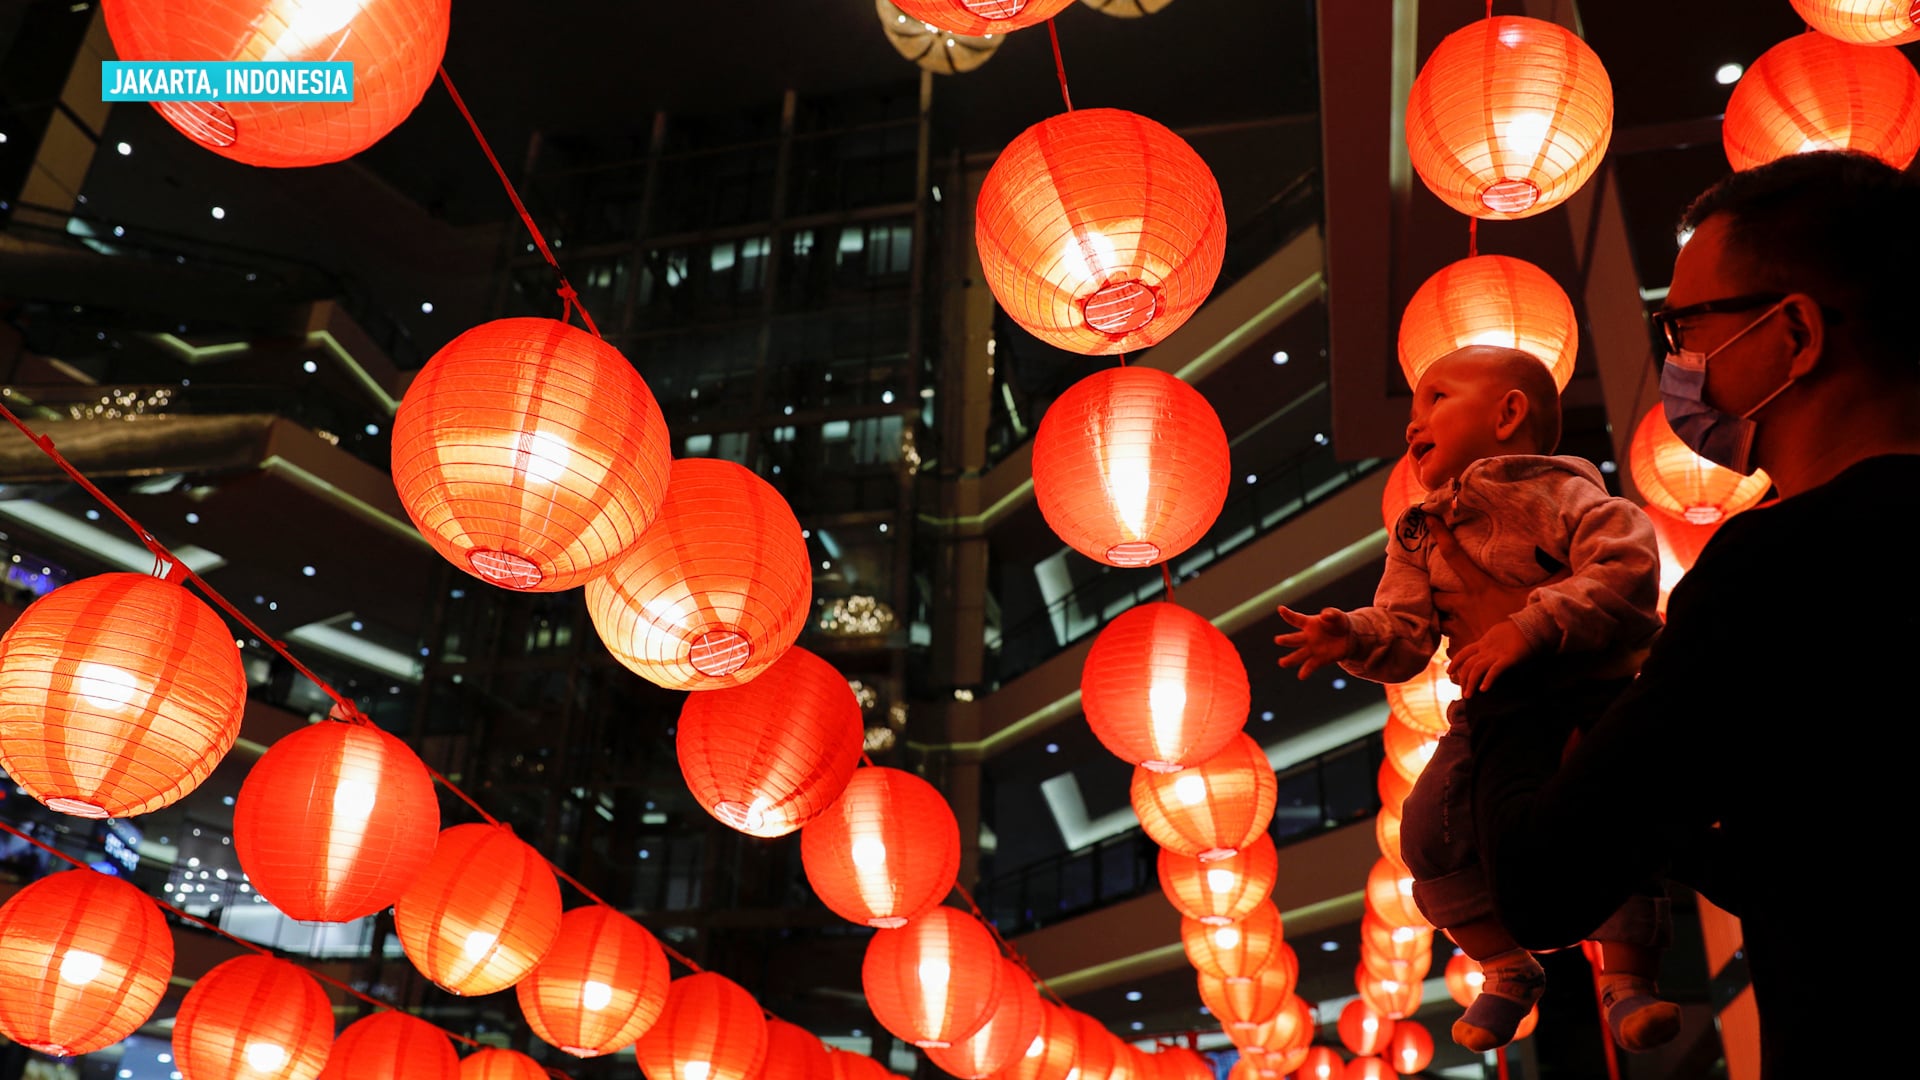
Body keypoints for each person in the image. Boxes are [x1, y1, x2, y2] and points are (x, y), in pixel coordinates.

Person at [1431, 151, 1920, 1077]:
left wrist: (1509, 657)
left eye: (1685, 328)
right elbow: (1823, 864)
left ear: (1795, 334)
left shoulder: (1776, 570)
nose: (1679, 363)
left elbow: (1543, 882)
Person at [1273, 344, 1678, 1053]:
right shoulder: (1418, 532)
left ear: (1508, 414)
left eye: (1435, 399)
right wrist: (1352, 633)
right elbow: (1404, 634)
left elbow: (1627, 563)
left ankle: (1628, 980)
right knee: (1426, 826)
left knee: (1613, 810)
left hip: (1592, 689)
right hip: (1491, 708)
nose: (1411, 424)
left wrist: (1530, 626)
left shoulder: (1564, 491)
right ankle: (1504, 966)